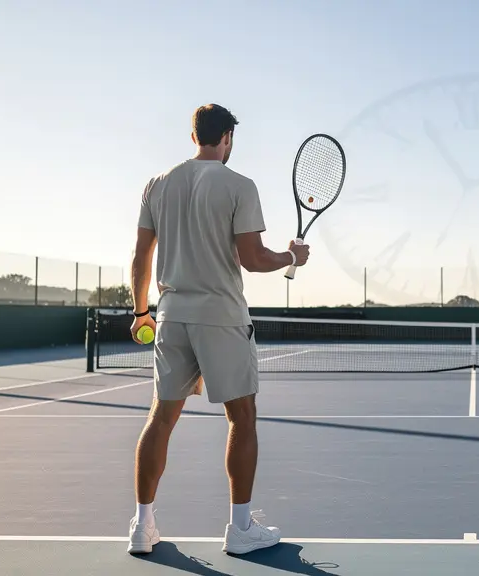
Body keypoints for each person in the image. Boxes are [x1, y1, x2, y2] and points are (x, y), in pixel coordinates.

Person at [126, 103, 309, 555]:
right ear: (226, 136)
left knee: (160, 419)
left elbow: (140, 258)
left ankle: (141, 525)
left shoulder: (157, 184)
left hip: (169, 317)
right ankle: (241, 529)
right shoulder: (239, 186)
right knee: (241, 418)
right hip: (222, 319)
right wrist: (292, 258)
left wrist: (140, 312)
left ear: (195, 137)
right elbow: (253, 258)